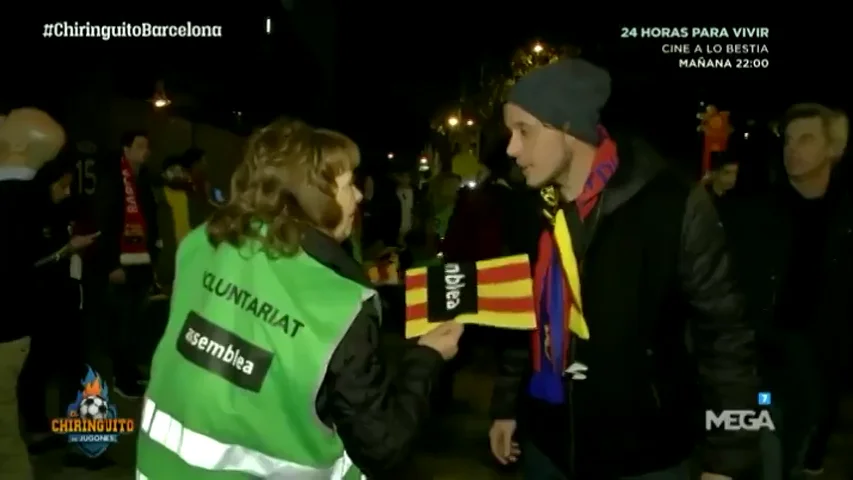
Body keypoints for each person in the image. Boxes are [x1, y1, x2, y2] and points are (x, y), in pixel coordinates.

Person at [136, 118, 464, 479]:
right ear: (313, 197)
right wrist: (428, 356)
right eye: (348, 184)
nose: (358, 196)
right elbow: (382, 445)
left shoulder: (204, 243)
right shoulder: (340, 305)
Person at [488, 59, 760, 480]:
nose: (511, 148)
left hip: (646, 456)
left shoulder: (674, 204)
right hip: (547, 446)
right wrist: (506, 408)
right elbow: (522, 318)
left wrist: (729, 458)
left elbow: (725, 336)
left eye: (524, 130)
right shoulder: (530, 209)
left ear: (568, 127)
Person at [729, 104, 852, 478]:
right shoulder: (756, 210)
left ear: (833, 148)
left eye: (807, 139)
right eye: (789, 139)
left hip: (824, 355)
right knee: (764, 442)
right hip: (764, 351)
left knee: (806, 439)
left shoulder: (846, 217)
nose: (792, 149)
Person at [0, 107, 66, 480]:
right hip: (15, 329)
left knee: (5, 438)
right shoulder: (34, 199)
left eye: (5, 120)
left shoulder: (12, 199)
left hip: (4, 332)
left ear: (20, 143)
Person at [18, 157, 99, 450]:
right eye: (61, 186)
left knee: (74, 367)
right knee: (37, 368)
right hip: (41, 305)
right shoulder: (29, 219)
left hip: (69, 302)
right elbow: (28, 264)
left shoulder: (65, 214)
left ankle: (75, 432)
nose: (67, 192)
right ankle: (36, 428)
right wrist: (66, 250)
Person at [91, 130, 159, 398]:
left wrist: (153, 256)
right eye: (140, 146)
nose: (146, 151)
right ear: (126, 149)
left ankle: (131, 369)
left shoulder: (143, 182)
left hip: (141, 263)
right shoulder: (113, 180)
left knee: (135, 321)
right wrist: (111, 265)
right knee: (121, 322)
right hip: (120, 263)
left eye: (148, 146)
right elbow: (103, 223)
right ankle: (121, 376)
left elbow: (151, 221)